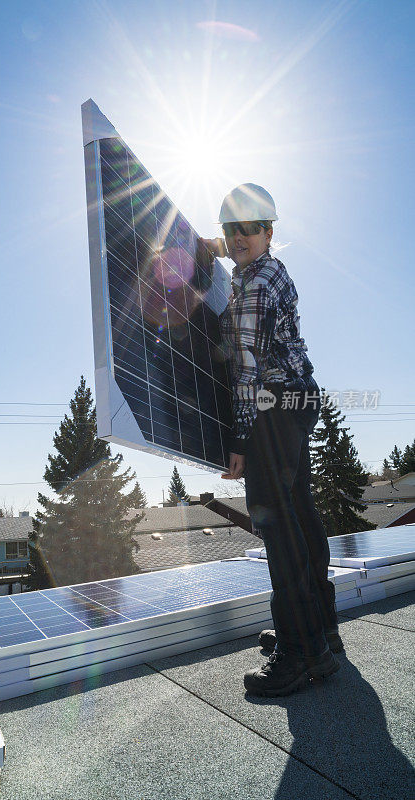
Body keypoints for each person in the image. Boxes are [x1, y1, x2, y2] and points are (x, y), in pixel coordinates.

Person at [202, 183, 342, 697]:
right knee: (301, 514)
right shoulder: (267, 267)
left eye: (249, 228)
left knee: (277, 527)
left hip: (271, 407)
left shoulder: (255, 287)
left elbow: (246, 373)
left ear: (269, 231)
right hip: (299, 401)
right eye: (230, 229)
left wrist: (239, 441)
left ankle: (303, 653)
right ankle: (321, 631)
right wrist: (210, 245)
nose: (237, 238)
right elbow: (236, 248)